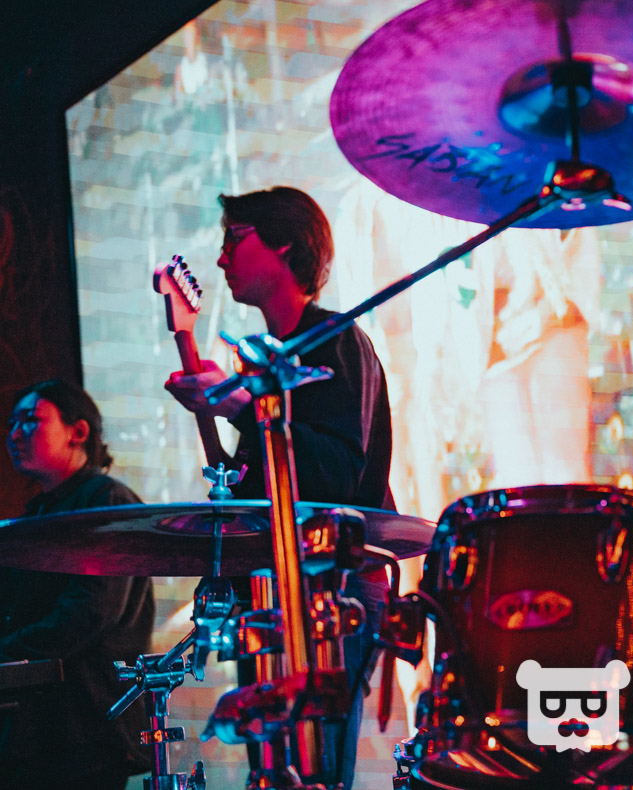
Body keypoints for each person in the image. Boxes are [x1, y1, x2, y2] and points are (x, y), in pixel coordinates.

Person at [165, 186, 394, 788]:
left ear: (285, 244)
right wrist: (213, 401)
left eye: (234, 239)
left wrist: (240, 405)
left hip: (329, 592)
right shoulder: (267, 364)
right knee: (274, 771)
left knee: (317, 769)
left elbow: (336, 475)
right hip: (270, 588)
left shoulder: (335, 341)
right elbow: (247, 486)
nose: (221, 258)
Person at [0, 379, 155, 790]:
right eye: (12, 423)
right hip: (36, 730)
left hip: (87, 726)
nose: (14, 434)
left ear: (78, 431)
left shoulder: (106, 500)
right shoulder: (38, 513)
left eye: (30, 420)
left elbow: (91, 611)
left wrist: (8, 653)